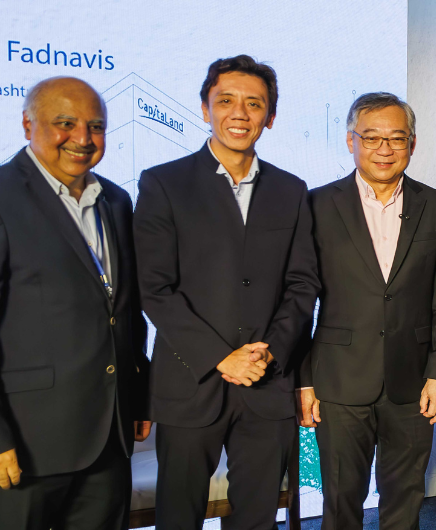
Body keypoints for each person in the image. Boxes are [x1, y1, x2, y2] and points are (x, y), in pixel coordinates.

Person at [0, 76, 150, 530]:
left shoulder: (116, 199)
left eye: (96, 126)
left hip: (107, 441)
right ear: (27, 124)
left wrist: (138, 397)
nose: (82, 138)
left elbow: (124, 312)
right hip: (19, 447)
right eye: (64, 123)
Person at [134, 55, 318, 530]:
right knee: (179, 515)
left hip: (267, 380)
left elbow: (302, 285)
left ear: (270, 117)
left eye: (254, 104)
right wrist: (222, 357)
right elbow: (155, 288)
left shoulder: (291, 189)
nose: (240, 113)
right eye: (226, 101)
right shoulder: (163, 183)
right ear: (205, 109)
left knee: (257, 517)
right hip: (190, 382)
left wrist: (266, 354)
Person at [296, 92, 436, 530]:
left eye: (396, 138)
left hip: (414, 383)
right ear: (351, 141)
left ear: (413, 144)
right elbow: (296, 302)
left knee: (405, 499)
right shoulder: (315, 206)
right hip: (338, 380)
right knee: (340, 501)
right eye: (371, 138)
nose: (384, 149)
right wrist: (303, 380)